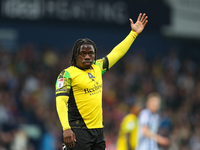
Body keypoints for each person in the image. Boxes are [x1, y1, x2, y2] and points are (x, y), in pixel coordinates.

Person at [55, 13, 148, 150]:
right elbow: (61, 102)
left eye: (90, 53)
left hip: (98, 132)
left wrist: (133, 34)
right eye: (83, 53)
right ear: (76, 55)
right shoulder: (67, 74)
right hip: (77, 130)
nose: (87, 56)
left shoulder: (97, 67)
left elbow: (116, 53)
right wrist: (66, 128)